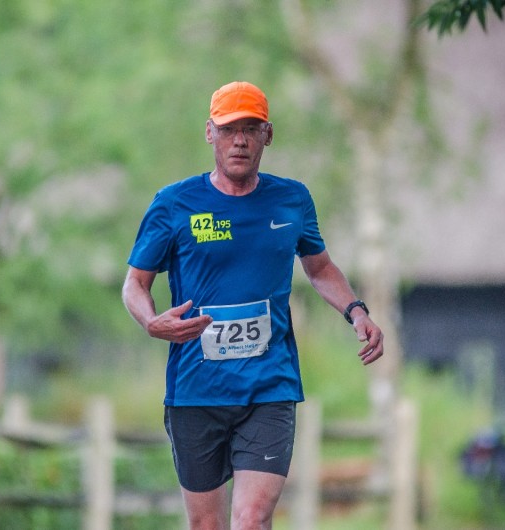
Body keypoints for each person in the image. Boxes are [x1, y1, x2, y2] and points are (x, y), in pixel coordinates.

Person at [121, 81, 384, 530]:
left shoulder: (292, 200)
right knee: (207, 525)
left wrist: (356, 311)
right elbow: (134, 284)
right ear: (210, 133)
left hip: (269, 387)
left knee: (252, 520)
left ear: (268, 134)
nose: (239, 140)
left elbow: (320, 268)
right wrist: (151, 322)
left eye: (250, 129)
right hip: (196, 391)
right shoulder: (174, 204)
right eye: (228, 129)